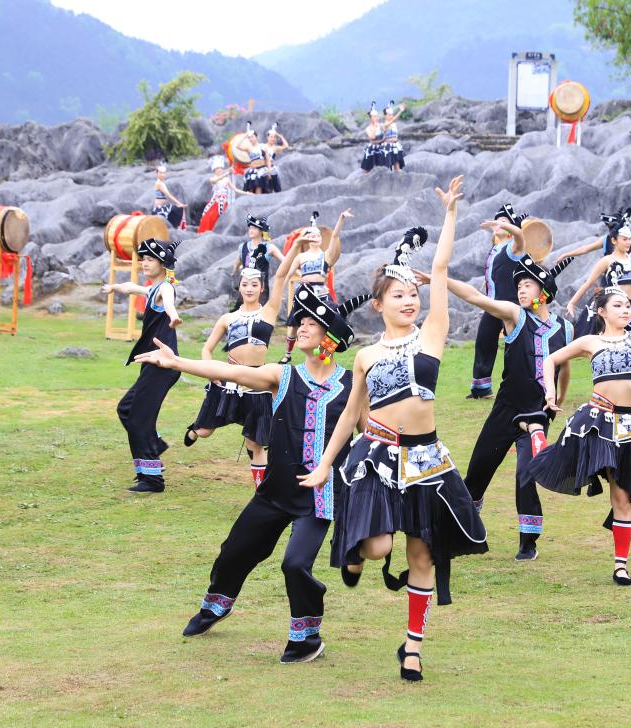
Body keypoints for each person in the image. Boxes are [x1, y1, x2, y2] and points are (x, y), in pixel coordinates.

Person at [301, 177, 489, 683]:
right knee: (380, 547)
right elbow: (349, 416)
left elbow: (441, 269)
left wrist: (450, 214)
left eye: (412, 294)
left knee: (421, 553)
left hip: (427, 460)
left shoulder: (433, 336)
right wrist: (324, 466)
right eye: (399, 296)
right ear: (378, 304)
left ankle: (413, 646)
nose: (409, 301)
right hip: (377, 457)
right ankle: (356, 554)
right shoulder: (366, 355)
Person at [136, 286, 371, 663]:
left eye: (312, 323)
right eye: (300, 322)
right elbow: (231, 371)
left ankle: (306, 638)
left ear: (330, 338)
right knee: (234, 551)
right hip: (276, 491)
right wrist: (177, 362)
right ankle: (216, 605)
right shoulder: (283, 375)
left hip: (320, 498)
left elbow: (371, 438)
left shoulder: (351, 387)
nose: (301, 327)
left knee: (295, 564)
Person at [525, 248, 631, 586]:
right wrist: (550, 393)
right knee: (549, 463)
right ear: (602, 312)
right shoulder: (590, 341)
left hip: (629, 427)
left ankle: (621, 566)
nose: (626, 309)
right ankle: (536, 434)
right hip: (594, 423)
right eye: (618, 305)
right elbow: (551, 360)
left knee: (621, 496)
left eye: (628, 305)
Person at [440, 253, 575, 561]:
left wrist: (557, 400)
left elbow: (565, 368)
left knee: (526, 474)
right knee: (479, 471)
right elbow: (475, 297)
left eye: (528, 285)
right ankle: (463, 528)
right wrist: (439, 278)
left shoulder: (565, 329)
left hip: (537, 413)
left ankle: (528, 542)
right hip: (505, 410)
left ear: (544, 290)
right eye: (519, 286)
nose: (521, 290)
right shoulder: (515, 315)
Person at [185, 248, 298, 488]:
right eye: (245, 284)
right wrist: (211, 373)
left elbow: (281, 276)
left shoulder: (268, 312)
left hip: (257, 381)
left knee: (256, 442)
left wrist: (296, 246)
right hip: (229, 380)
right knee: (205, 431)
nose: (249, 288)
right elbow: (207, 349)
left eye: (254, 284)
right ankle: (194, 430)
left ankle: (261, 492)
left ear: (262, 288)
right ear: (239, 287)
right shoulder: (227, 319)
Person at [103, 239, 184, 493]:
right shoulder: (152, 289)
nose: (144, 264)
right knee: (126, 409)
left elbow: (169, 301)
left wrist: (173, 316)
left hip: (163, 365)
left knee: (139, 418)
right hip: (152, 363)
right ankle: (154, 446)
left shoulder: (165, 288)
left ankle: (152, 479)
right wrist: (114, 287)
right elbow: (131, 287)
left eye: (149, 259)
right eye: (143, 259)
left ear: (162, 263)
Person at [562, 197, 631, 336]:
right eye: (624, 239)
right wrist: (572, 303)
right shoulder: (607, 261)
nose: (628, 242)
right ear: (614, 240)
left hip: (628, 307)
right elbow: (588, 283)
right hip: (611, 308)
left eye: (629, 239)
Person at [467, 204, 527, 399]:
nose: (497, 224)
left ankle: (514, 386)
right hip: (492, 304)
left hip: (509, 306)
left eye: (503, 221)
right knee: (484, 341)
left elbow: (520, 234)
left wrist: (506, 225)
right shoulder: (496, 248)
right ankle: (481, 389)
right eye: (497, 221)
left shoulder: (513, 247)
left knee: (514, 347)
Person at [279, 208, 353, 363]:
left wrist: (341, 218)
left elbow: (335, 236)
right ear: (306, 239)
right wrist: (280, 294)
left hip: (321, 292)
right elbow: (288, 274)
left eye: (318, 235)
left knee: (331, 321)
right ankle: (287, 354)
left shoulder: (325, 255)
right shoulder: (301, 257)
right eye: (312, 235)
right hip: (304, 293)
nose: (315, 238)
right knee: (293, 324)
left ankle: (326, 353)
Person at [231, 214, 284, 306]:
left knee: (259, 312)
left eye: (254, 228)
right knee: (240, 312)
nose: (250, 230)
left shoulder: (269, 248)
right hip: (245, 287)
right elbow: (239, 261)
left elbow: (285, 261)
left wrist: (297, 270)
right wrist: (234, 271)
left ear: (261, 231)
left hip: (260, 289)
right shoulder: (242, 247)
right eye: (250, 228)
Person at [197, 156, 251, 234]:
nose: (219, 170)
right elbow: (216, 180)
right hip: (215, 201)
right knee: (208, 216)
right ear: (214, 170)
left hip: (224, 201)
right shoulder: (212, 178)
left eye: (220, 168)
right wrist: (227, 173)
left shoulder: (226, 179)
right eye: (217, 169)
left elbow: (235, 189)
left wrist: (246, 193)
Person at [151, 161, 188, 229]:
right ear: (157, 173)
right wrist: (180, 203)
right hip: (159, 209)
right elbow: (169, 195)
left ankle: (176, 227)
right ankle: (178, 227)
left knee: (177, 209)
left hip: (162, 207)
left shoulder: (161, 183)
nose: (162, 175)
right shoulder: (159, 183)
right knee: (178, 209)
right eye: (160, 173)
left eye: (164, 173)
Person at [236, 122, 268, 195]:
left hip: (261, 169)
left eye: (252, 137)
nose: (251, 139)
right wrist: (245, 136)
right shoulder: (249, 148)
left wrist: (268, 169)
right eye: (249, 138)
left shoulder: (262, 146)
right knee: (250, 189)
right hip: (252, 170)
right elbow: (237, 146)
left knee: (259, 188)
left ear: (256, 137)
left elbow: (267, 159)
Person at [263, 122, 290, 193]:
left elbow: (286, 146)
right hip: (263, 169)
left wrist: (280, 136)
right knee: (265, 190)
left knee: (277, 189)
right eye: (271, 137)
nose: (273, 139)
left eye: (274, 137)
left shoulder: (275, 148)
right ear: (267, 137)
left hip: (272, 169)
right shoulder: (263, 146)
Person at [380, 100, 407, 172]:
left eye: (391, 115)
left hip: (395, 145)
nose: (391, 116)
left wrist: (400, 110)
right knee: (387, 165)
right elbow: (393, 120)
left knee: (397, 164)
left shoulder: (393, 124)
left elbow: (394, 120)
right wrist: (400, 111)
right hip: (387, 146)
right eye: (389, 115)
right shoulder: (384, 125)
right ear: (385, 116)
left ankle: (398, 174)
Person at [361, 102, 384, 173]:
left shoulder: (380, 125)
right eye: (374, 117)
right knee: (367, 168)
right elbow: (372, 138)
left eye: (377, 116)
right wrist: (374, 127)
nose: (377, 118)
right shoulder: (368, 128)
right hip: (373, 148)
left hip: (382, 147)